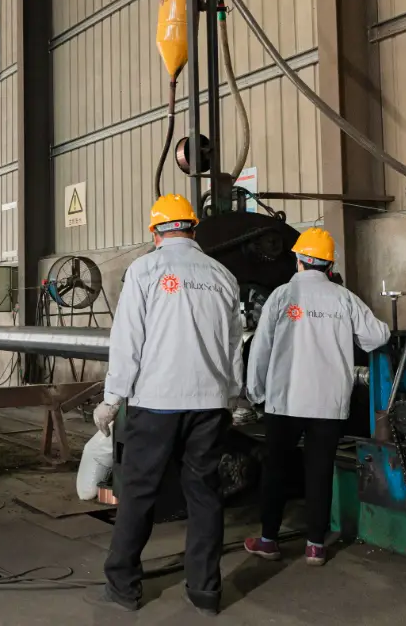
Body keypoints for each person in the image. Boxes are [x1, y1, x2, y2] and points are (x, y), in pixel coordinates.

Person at [86, 194, 244, 616]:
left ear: (155, 232)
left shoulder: (145, 270)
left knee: (138, 493)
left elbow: (127, 343)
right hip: (210, 404)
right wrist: (232, 396)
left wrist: (111, 399)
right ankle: (206, 592)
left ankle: (123, 587)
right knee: (205, 495)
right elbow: (234, 347)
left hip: (155, 402)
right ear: (193, 229)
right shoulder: (223, 275)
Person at [244, 228, 390, 566]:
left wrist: (256, 391)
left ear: (298, 260)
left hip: (285, 400)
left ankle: (268, 540)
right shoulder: (343, 298)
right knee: (320, 471)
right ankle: (315, 545)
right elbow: (377, 337)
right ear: (328, 265)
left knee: (276, 470)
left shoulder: (282, 295)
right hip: (328, 403)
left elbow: (261, 348)